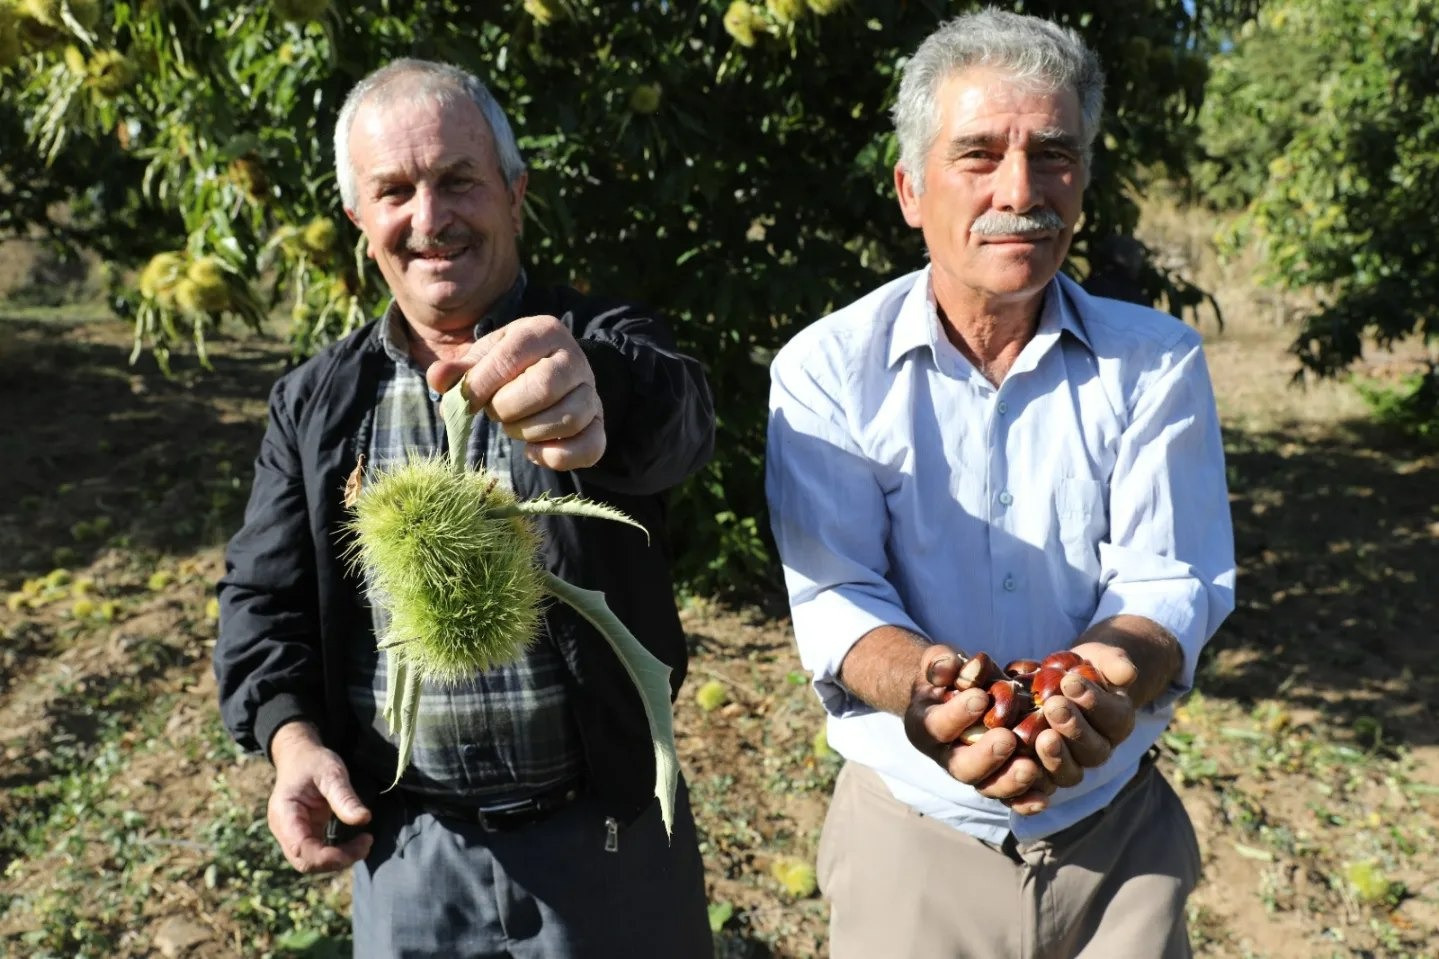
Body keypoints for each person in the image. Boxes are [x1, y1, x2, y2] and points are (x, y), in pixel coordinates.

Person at [214, 59, 715, 959]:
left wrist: (596, 393)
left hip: (604, 836)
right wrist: (290, 739)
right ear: (358, 220)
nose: (429, 218)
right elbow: (263, 599)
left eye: (458, 181)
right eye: (394, 190)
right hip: (409, 852)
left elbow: (674, 419)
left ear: (515, 193)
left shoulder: (605, 343)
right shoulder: (318, 403)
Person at [765, 11, 1235, 959]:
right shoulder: (826, 369)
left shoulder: (1156, 364)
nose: (1019, 191)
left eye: (1053, 154)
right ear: (909, 188)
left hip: (1116, 840)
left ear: (1084, 180)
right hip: (912, 831)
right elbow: (838, 596)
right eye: (977, 154)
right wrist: (932, 693)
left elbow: (1163, 580)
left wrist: (1093, 689)